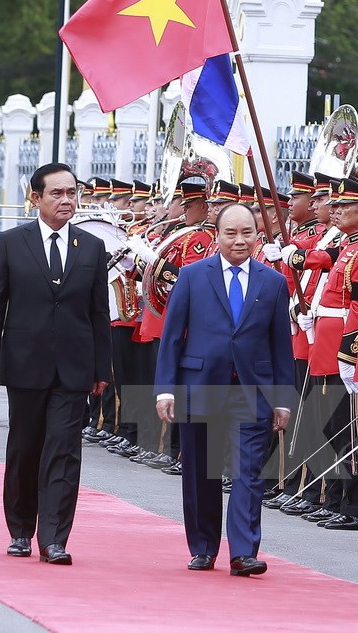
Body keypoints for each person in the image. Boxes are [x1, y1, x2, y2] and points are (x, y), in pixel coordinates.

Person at [0, 162, 112, 566]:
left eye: (72, 192)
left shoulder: (90, 246)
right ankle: (20, 529)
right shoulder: (11, 242)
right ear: (36, 198)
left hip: (74, 367)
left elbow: (98, 313)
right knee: (25, 447)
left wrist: (102, 370)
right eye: (57, 193)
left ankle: (54, 537)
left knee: (64, 450)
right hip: (24, 363)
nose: (67, 200)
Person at [155, 201, 295, 576]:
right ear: (216, 237)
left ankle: (243, 551)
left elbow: (282, 345)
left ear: (257, 236)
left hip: (252, 389)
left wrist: (283, 399)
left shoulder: (273, 282)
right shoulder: (191, 276)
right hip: (199, 385)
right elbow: (171, 338)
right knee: (201, 471)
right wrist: (165, 389)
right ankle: (203, 546)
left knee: (248, 472)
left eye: (246, 232)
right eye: (230, 233)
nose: (238, 240)